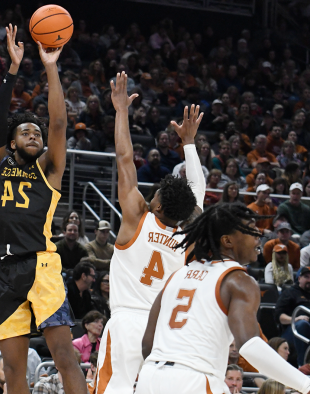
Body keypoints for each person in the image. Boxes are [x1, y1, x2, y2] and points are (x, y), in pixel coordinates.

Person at [134, 203, 310, 394]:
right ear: (227, 241)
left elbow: (147, 344)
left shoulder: (177, 275)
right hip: (194, 379)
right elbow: (249, 346)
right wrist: (308, 386)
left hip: (150, 377)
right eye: (249, 229)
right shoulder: (238, 280)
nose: (258, 234)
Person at [0, 26, 89, 394]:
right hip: (6, 270)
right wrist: (13, 69)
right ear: (12, 142)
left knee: (64, 354)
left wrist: (50, 67)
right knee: (13, 367)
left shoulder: (49, 170)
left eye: (37, 133)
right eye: (26, 132)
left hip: (42, 266)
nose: (35, 136)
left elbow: (59, 124)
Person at [92, 71, 205, 394]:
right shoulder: (187, 236)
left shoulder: (137, 217)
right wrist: (189, 144)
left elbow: (125, 158)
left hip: (128, 324)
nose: (151, 192)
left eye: (154, 193)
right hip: (166, 332)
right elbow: (196, 193)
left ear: (156, 206)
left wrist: (122, 111)